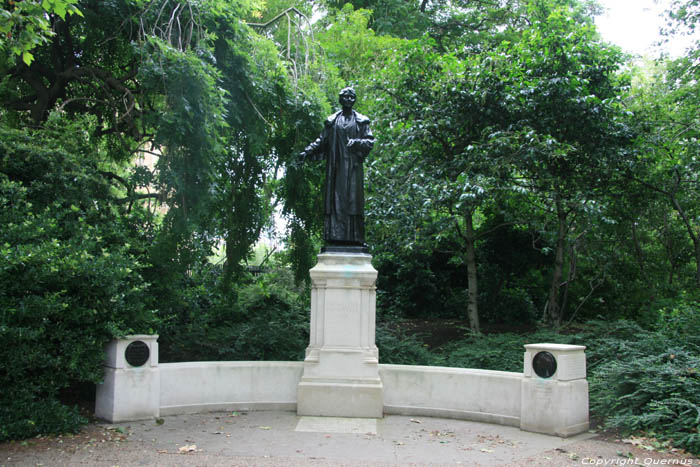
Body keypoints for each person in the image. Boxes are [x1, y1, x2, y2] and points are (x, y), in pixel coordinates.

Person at [299, 87, 374, 248]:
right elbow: (321, 141)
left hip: (353, 170)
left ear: (354, 100)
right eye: (345, 97)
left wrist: (357, 142)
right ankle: (334, 236)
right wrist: (307, 152)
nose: (348, 99)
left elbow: (370, 142)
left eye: (351, 97)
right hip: (336, 169)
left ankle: (356, 238)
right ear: (340, 100)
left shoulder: (362, 121)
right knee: (335, 202)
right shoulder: (332, 121)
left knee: (354, 202)